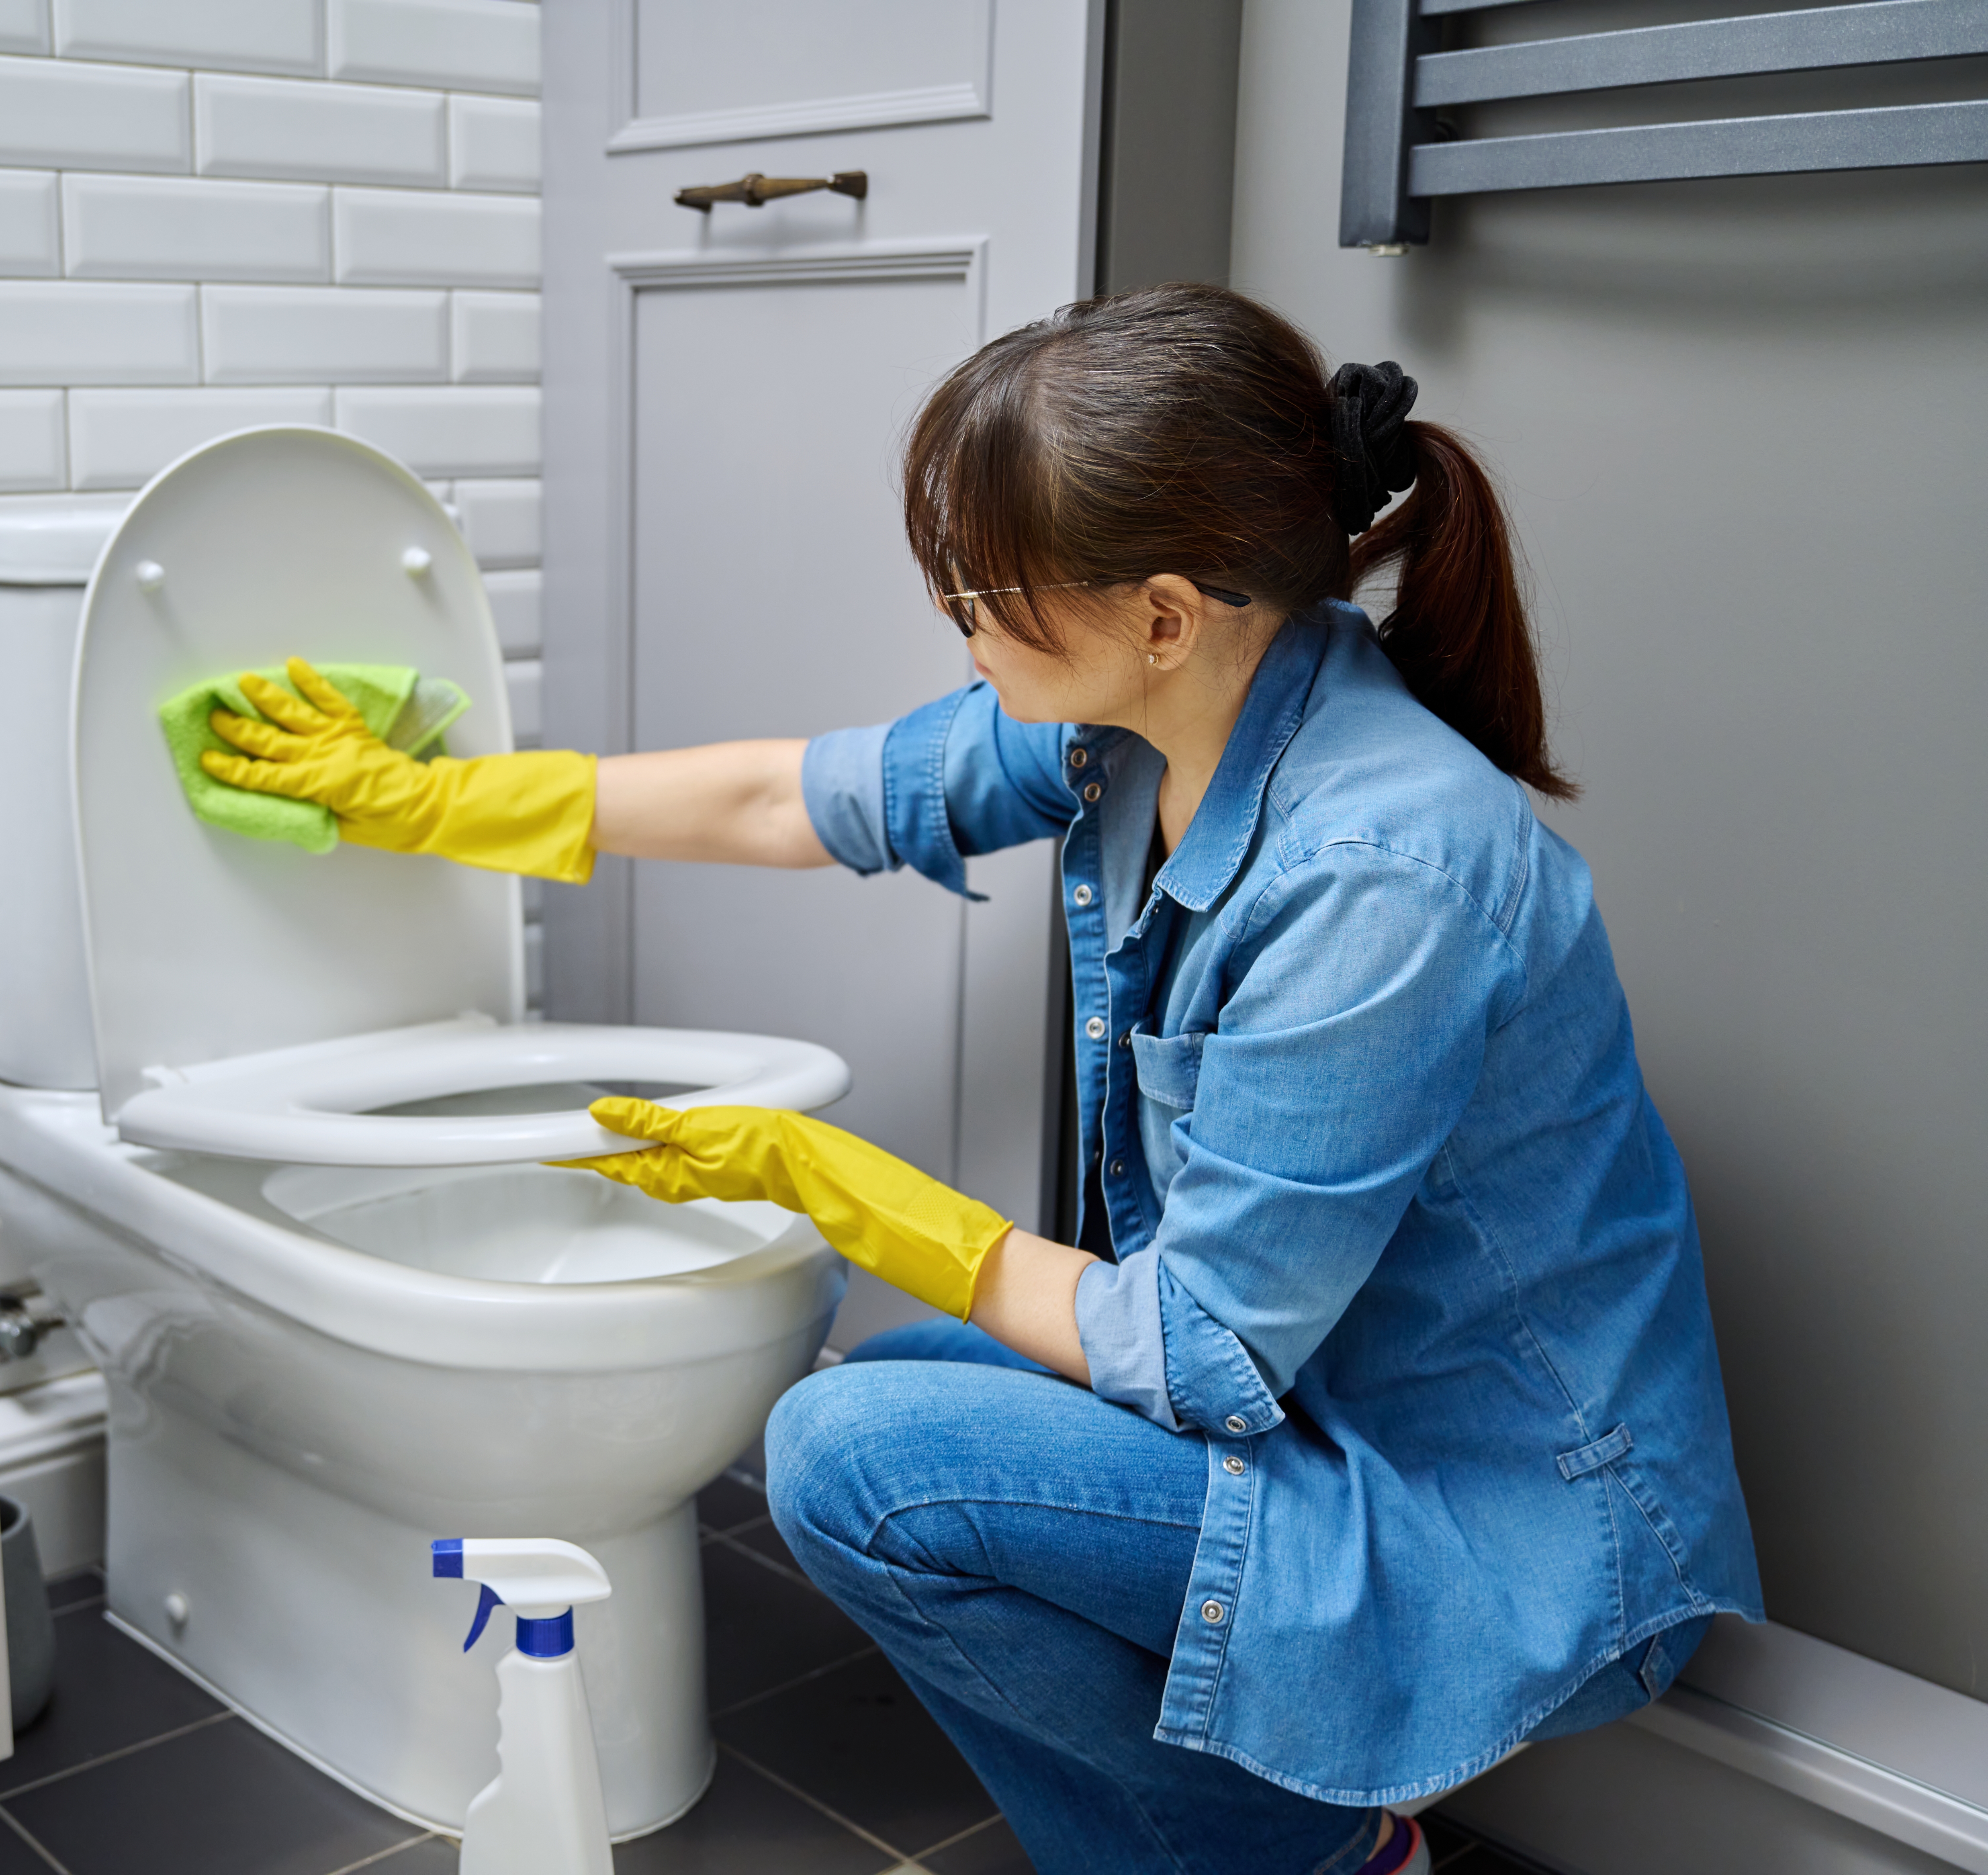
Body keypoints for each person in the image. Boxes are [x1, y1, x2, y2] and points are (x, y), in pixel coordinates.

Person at [199, 283, 1761, 1875]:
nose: (956, 625)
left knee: (847, 1467)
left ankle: (1305, 1861)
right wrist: (426, 799)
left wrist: (837, 1185)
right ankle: (1288, 1811)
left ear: (1158, 612)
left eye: (977, 598)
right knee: (876, 1391)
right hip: (1322, 1403)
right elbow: (795, 799)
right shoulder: (1163, 712)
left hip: (1482, 1534)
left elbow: (1200, 1350)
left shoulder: (1381, 876)